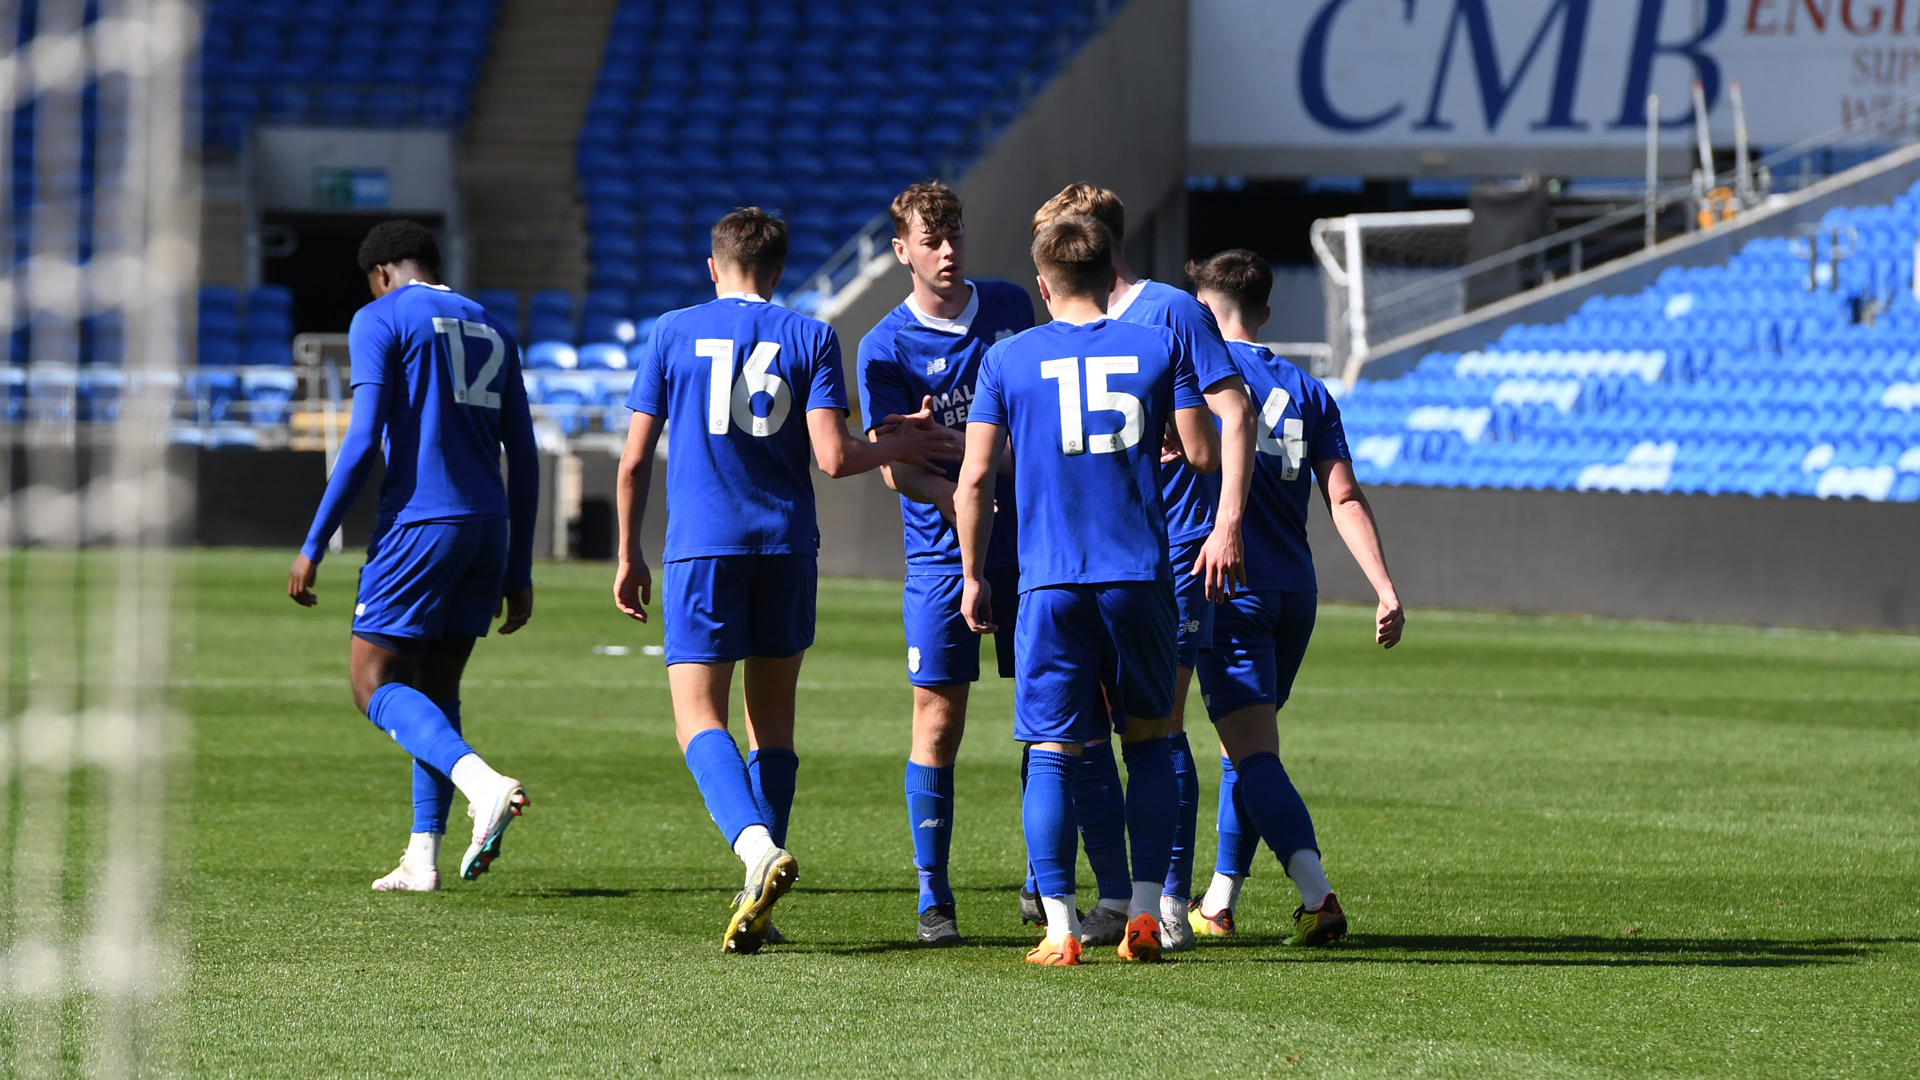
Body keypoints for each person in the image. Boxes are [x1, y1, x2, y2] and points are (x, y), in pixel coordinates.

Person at [614, 208, 965, 956]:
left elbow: (635, 461)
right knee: (771, 727)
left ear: (715, 267)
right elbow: (836, 458)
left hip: (703, 550)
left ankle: (755, 853)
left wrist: (626, 553)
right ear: (779, 271)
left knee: (696, 720)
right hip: (784, 548)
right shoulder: (810, 335)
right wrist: (898, 443)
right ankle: (760, 905)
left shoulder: (672, 332)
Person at [954, 214, 1252, 965]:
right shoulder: (1157, 344)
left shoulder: (1008, 358)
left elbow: (975, 478)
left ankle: (1059, 928)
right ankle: (1147, 912)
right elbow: (1202, 451)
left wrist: (971, 573)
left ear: (1045, 282)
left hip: (1050, 579)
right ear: (1106, 277)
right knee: (1150, 743)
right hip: (1141, 575)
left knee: (1053, 750)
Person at [287, 219, 539, 891]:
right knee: (437, 687)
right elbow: (527, 453)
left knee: (372, 683)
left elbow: (365, 438)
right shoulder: (493, 325)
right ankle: (421, 855)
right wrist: (520, 567)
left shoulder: (381, 317)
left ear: (381, 274)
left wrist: (314, 542)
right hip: (490, 526)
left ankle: (481, 784)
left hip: (423, 523)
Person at [1027, 183, 1244, 951]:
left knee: (1156, 732)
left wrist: (1225, 521)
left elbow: (1226, 418)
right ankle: (1120, 898)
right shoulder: (1068, 334)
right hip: (1100, 557)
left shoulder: (1171, 314)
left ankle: (1170, 901)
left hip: (1172, 550)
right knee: (1085, 738)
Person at [1180, 249, 1404, 946]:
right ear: (1266, 313)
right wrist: (1384, 587)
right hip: (1295, 595)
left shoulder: (1199, 376)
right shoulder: (1309, 390)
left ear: (1203, 312)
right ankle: (1219, 900)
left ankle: (1317, 896)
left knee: (1252, 754)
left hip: (1232, 583)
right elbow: (1343, 495)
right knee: (1245, 746)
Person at [856, 182, 1034, 946]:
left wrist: (967, 455)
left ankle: (1043, 878)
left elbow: (1029, 429)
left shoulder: (1009, 310)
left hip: (1031, 548)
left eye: (956, 231)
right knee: (938, 718)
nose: (949, 248)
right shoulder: (882, 347)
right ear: (902, 251)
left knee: (1048, 713)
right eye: (932, 238)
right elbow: (896, 469)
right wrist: (970, 489)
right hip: (938, 557)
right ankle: (935, 894)